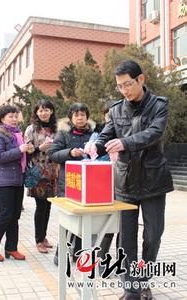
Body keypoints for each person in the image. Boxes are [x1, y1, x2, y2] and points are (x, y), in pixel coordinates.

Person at [86, 60, 174, 300]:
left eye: (127, 84)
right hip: (124, 182)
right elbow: (106, 136)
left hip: (153, 180)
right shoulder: (115, 110)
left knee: (153, 235)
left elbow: (154, 133)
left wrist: (126, 142)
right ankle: (131, 288)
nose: (124, 90)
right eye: (119, 86)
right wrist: (95, 145)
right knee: (126, 238)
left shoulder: (159, 105)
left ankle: (144, 279)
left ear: (141, 80)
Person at [0, 105, 32, 262]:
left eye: (15, 115)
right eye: (10, 116)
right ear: (2, 119)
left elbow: (21, 154)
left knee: (14, 216)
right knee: (5, 215)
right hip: (4, 181)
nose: (14, 119)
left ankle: (11, 248)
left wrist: (30, 149)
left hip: (18, 179)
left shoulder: (17, 134)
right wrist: (20, 150)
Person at [48, 103, 94, 265]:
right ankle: (60, 254)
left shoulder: (95, 134)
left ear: (87, 116)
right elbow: (52, 153)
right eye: (76, 115)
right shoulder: (64, 134)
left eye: (82, 114)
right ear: (71, 118)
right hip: (69, 184)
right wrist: (70, 153)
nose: (79, 118)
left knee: (84, 222)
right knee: (68, 221)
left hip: (89, 185)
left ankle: (79, 255)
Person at [24, 99, 58, 254]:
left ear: (51, 111)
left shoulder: (57, 129)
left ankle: (43, 237)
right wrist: (40, 147)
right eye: (40, 110)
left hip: (53, 172)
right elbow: (27, 150)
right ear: (36, 113)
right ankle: (39, 240)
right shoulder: (31, 129)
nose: (44, 113)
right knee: (41, 206)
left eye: (47, 109)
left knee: (48, 205)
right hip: (38, 172)